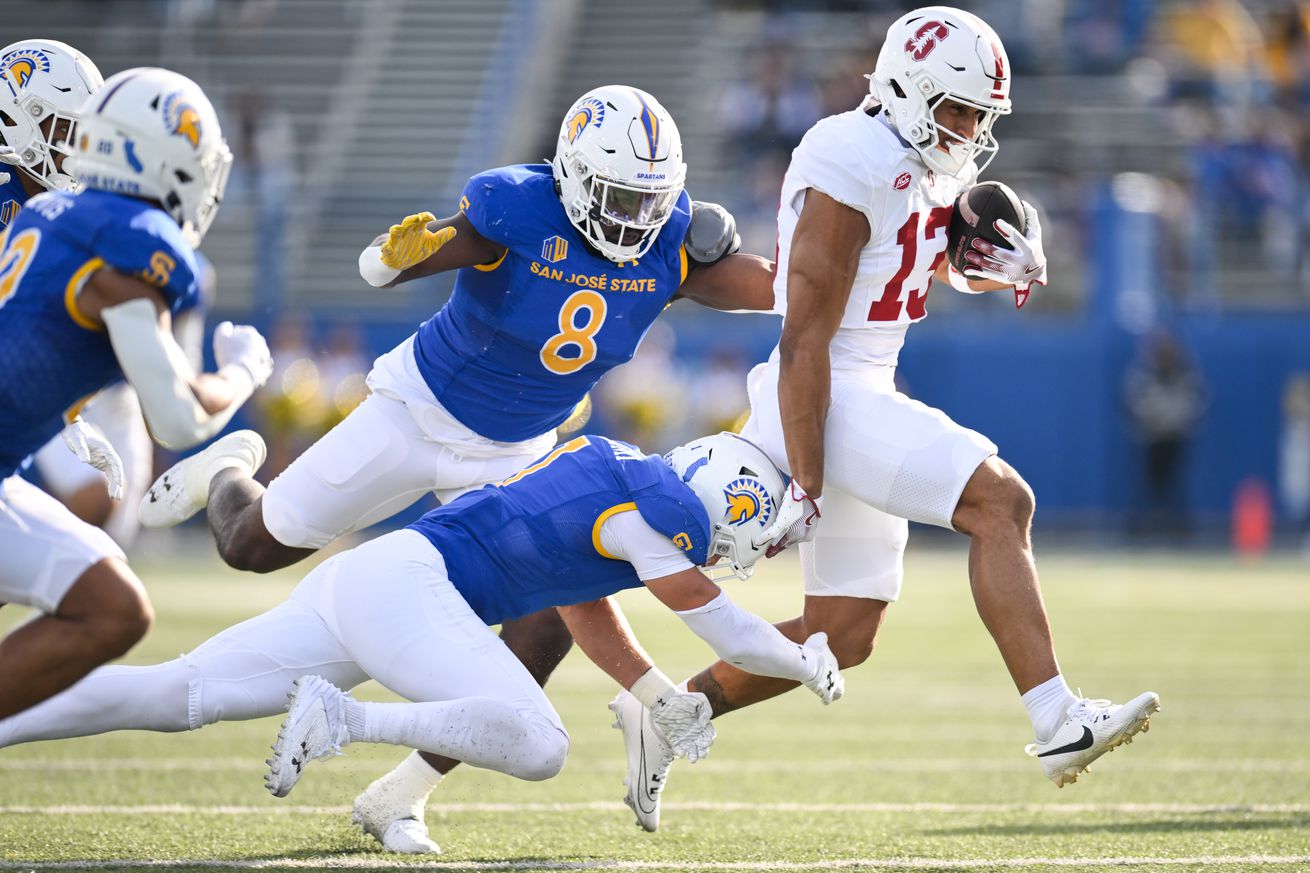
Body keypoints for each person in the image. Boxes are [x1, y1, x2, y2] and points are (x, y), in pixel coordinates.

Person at [135, 85, 776, 852]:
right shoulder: (516, 209)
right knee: (251, 545)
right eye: (615, 197)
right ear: (570, 176)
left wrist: (874, 271)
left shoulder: (672, 242)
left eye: (649, 201)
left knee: (544, 621)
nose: (632, 221)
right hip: (416, 410)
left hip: (515, 449)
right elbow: (383, 267)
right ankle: (230, 468)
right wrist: (391, 256)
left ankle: (403, 792)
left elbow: (785, 290)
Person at [606, 6, 1160, 831]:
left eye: (981, 116)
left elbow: (912, 261)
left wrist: (999, 263)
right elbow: (803, 335)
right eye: (960, 110)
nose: (971, 131)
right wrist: (812, 477)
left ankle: (663, 712)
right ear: (908, 90)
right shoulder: (848, 156)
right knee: (1001, 501)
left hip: (861, 390)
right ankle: (1056, 718)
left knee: (843, 634)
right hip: (830, 393)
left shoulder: (919, 158)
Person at [0, 433, 843, 833]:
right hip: (409, 587)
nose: (746, 552)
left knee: (178, 692)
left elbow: (581, 604)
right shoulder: (655, 523)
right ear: (730, 514)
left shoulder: (624, 479)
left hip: (378, 574)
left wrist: (654, 692)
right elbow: (729, 630)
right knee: (542, 744)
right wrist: (806, 659)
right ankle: (348, 719)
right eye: (753, 537)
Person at [0, 65, 272, 720]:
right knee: (112, 609)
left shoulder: (46, 209)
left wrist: (62, 418)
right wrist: (244, 369)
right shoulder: (132, 241)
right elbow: (178, 420)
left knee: (106, 595)